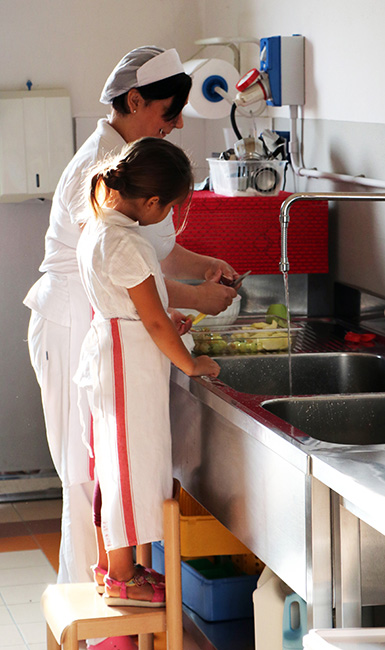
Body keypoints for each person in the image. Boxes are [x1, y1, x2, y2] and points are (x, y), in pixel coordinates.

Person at [23, 45, 236, 650]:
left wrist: (201, 270)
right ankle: (100, 629)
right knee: (88, 480)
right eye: (168, 112)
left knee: (107, 474)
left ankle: (115, 602)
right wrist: (191, 300)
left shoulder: (133, 166)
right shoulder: (100, 163)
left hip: (108, 324)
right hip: (75, 326)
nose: (173, 125)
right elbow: (131, 272)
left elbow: (153, 248)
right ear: (134, 101)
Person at [75, 137, 220, 612]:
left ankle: (117, 569)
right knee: (129, 469)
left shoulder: (100, 228)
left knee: (117, 467)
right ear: (153, 202)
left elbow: (141, 313)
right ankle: (122, 580)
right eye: (173, 209)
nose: (172, 219)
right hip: (126, 365)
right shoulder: (128, 244)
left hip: (117, 350)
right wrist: (191, 362)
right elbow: (154, 319)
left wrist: (165, 326)